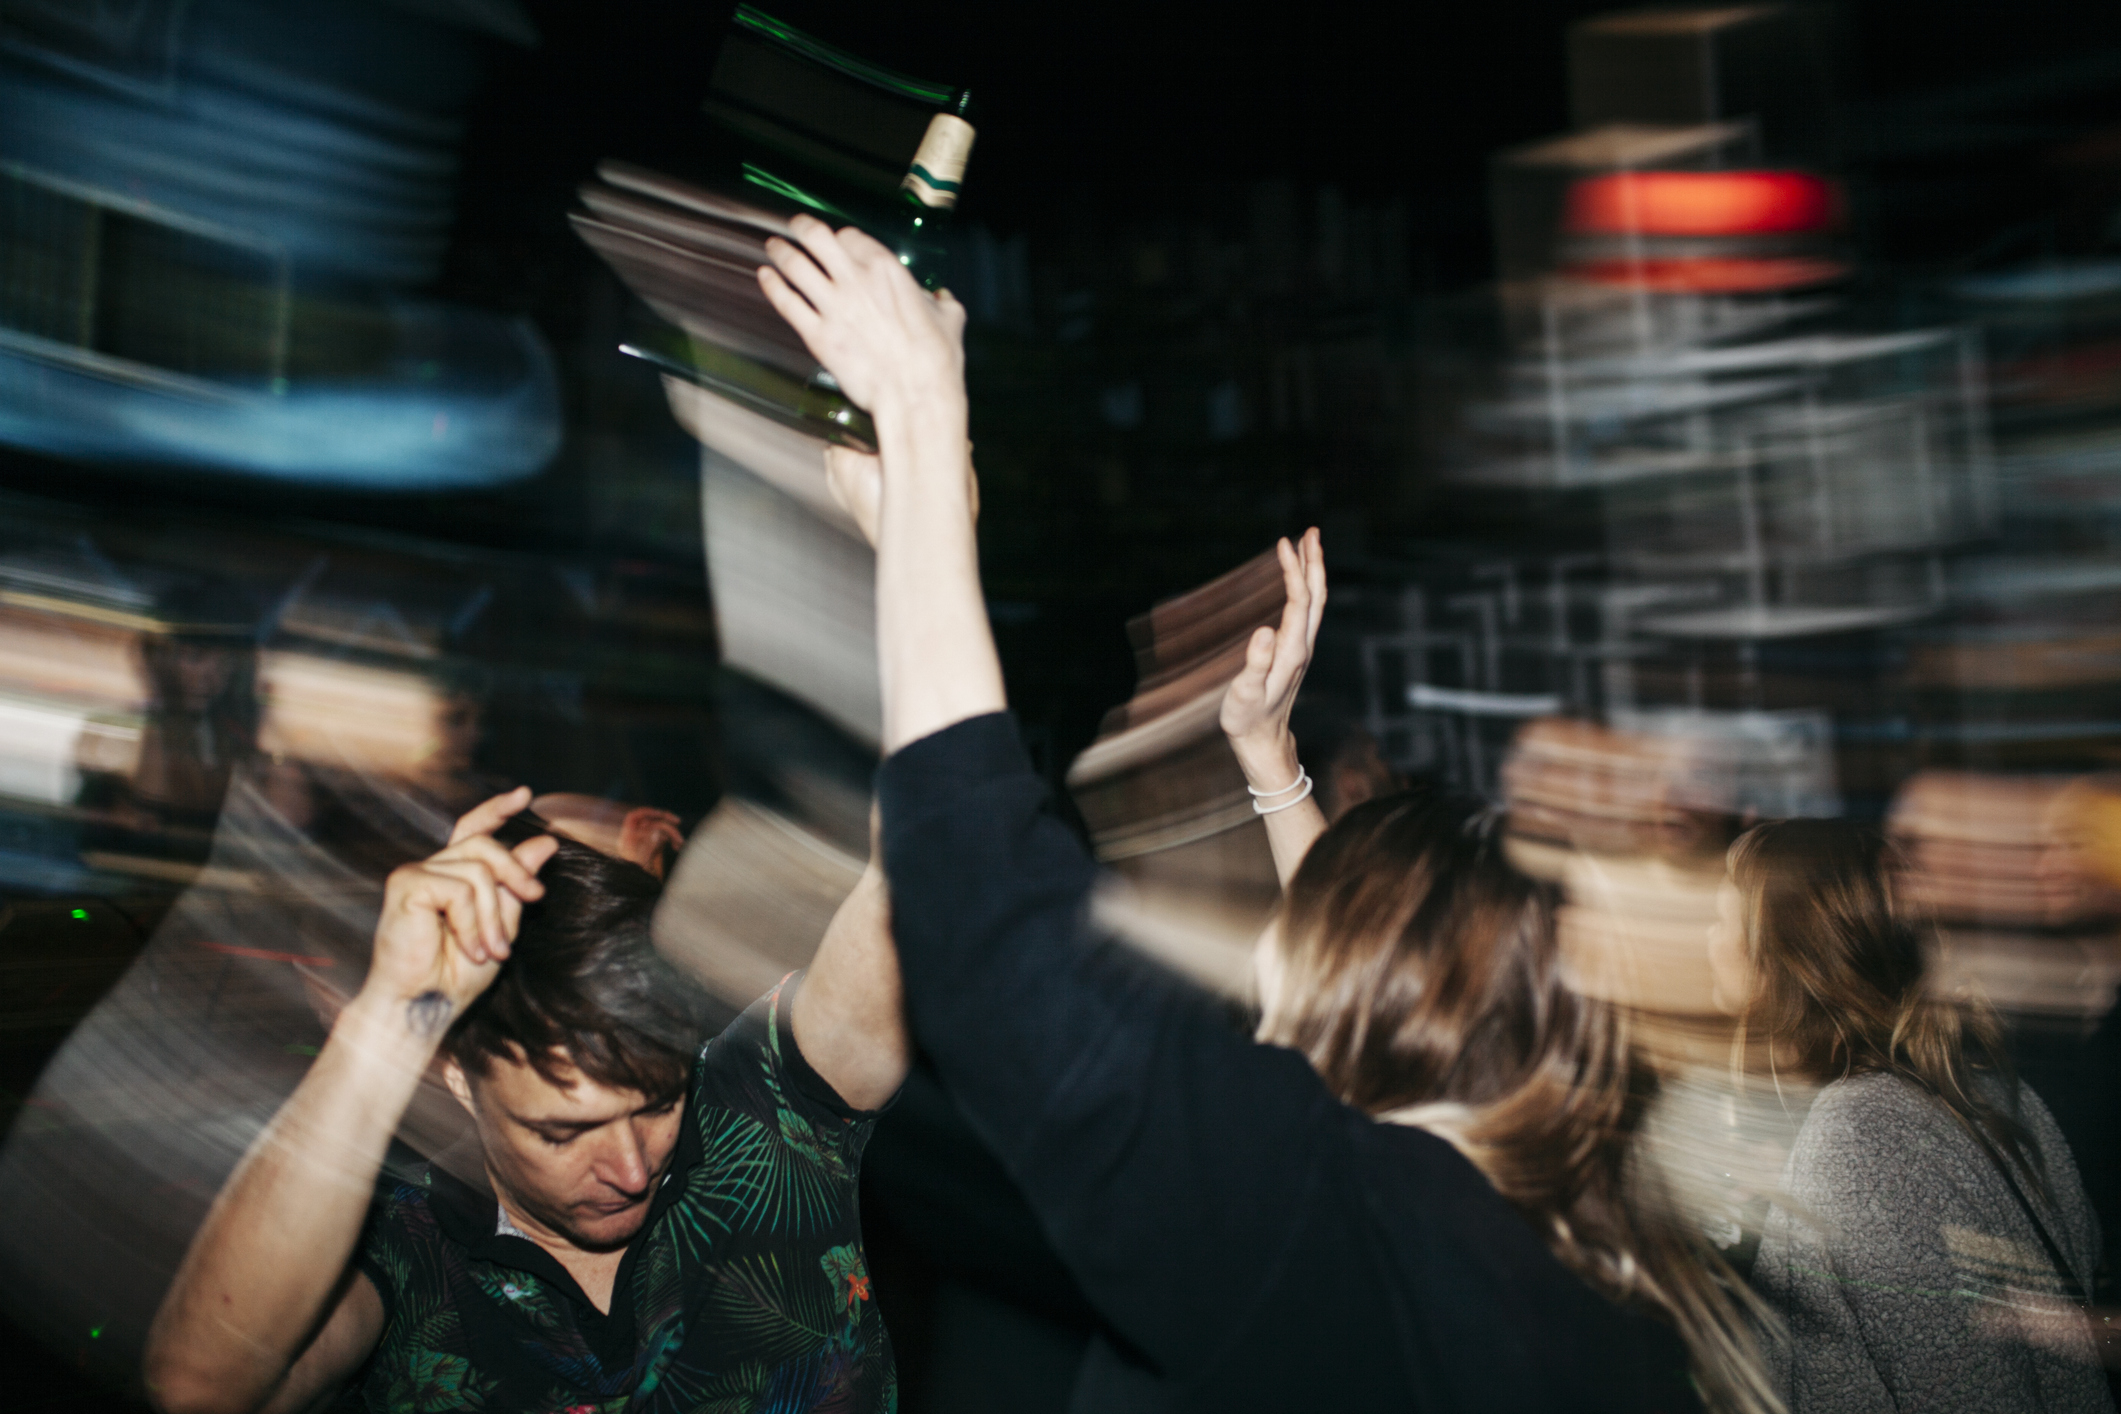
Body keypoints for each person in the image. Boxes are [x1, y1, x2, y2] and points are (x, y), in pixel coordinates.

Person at [757, 214, 1774, 1412]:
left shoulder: (1342, 1228)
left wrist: (927, 437)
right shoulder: (1554, 1240)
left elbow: (993, 915)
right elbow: (1360, 941)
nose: (1266, 962)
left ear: (1375, 989)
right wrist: (1269, 760)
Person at [144, 785, 907, 1413]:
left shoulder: (767, 1098)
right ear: (454, 1076)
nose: (632, 1168)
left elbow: (918, 855)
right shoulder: (397, 1238)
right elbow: (201, 1391)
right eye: (563, 1132)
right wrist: (389, 1016)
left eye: (656, 1104)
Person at [1707, 818, 2114, 1413]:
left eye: (1718, 918)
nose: (1705, 938)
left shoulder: (1862, 1135)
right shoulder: (1990, 1093)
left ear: (1775, 952)